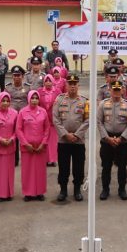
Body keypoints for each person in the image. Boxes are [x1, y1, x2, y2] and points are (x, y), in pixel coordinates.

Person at [52, 74, 89, 202]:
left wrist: (77, 135)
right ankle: (63, 190)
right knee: (63, 167)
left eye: (75, 84)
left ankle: (77, 190)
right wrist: (65, 134)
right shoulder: (59, 100)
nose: (72, 86)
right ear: (66, 85)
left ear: (78, 85)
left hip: (78, 141)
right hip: (63, 140)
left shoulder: (84, 101)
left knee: (79, 166)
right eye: (70, 83)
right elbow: (55, 119)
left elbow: (88, 120)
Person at [97, 80, 127, 201]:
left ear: (123, 90)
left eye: (119, 90)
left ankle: (122, 189)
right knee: (106, 166)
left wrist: (122, 138)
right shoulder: (103, 104)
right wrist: (106, 137)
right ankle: (105, 189)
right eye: (114, 90)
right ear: (110, 90)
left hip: (122, 141)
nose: (116, 93)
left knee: (122, 167)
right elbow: (99, 122)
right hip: (107, 140)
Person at [16, 90, 50, 201]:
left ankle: (40, 192)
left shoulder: (43, 112)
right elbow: (19, 129)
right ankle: (28, 193)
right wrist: (25, 143)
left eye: (36, 98)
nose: (34, 100)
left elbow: (47, 129)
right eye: (32, 98)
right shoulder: (22, 112)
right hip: (27, 147)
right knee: (27, 170)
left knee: (40, 170)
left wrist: (43, 143)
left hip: (40, 147)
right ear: (29, 99)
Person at [5, 65, 30, 167]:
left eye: (18, 75)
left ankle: (26, 158)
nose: (16, 77)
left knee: (25, 137)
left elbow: (30, 101)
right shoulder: (8, 87)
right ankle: (14, 160)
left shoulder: (28, 87)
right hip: (12, 117)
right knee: (14, 138)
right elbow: (4, 101)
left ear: (22, 76)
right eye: (14, 75)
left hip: (24, 117)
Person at [38, 74, 61, 167]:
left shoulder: (58, 91)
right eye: (46, 81)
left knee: (53, 141)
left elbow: (60, 105)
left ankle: (53, 159)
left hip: (53, 120)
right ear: (44, 82)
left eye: (50, 81)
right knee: (44, 140)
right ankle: (45, 159)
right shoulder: (39, 91)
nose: (48, 83)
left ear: (52, 82)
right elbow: (37, 105)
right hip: (43, 119)